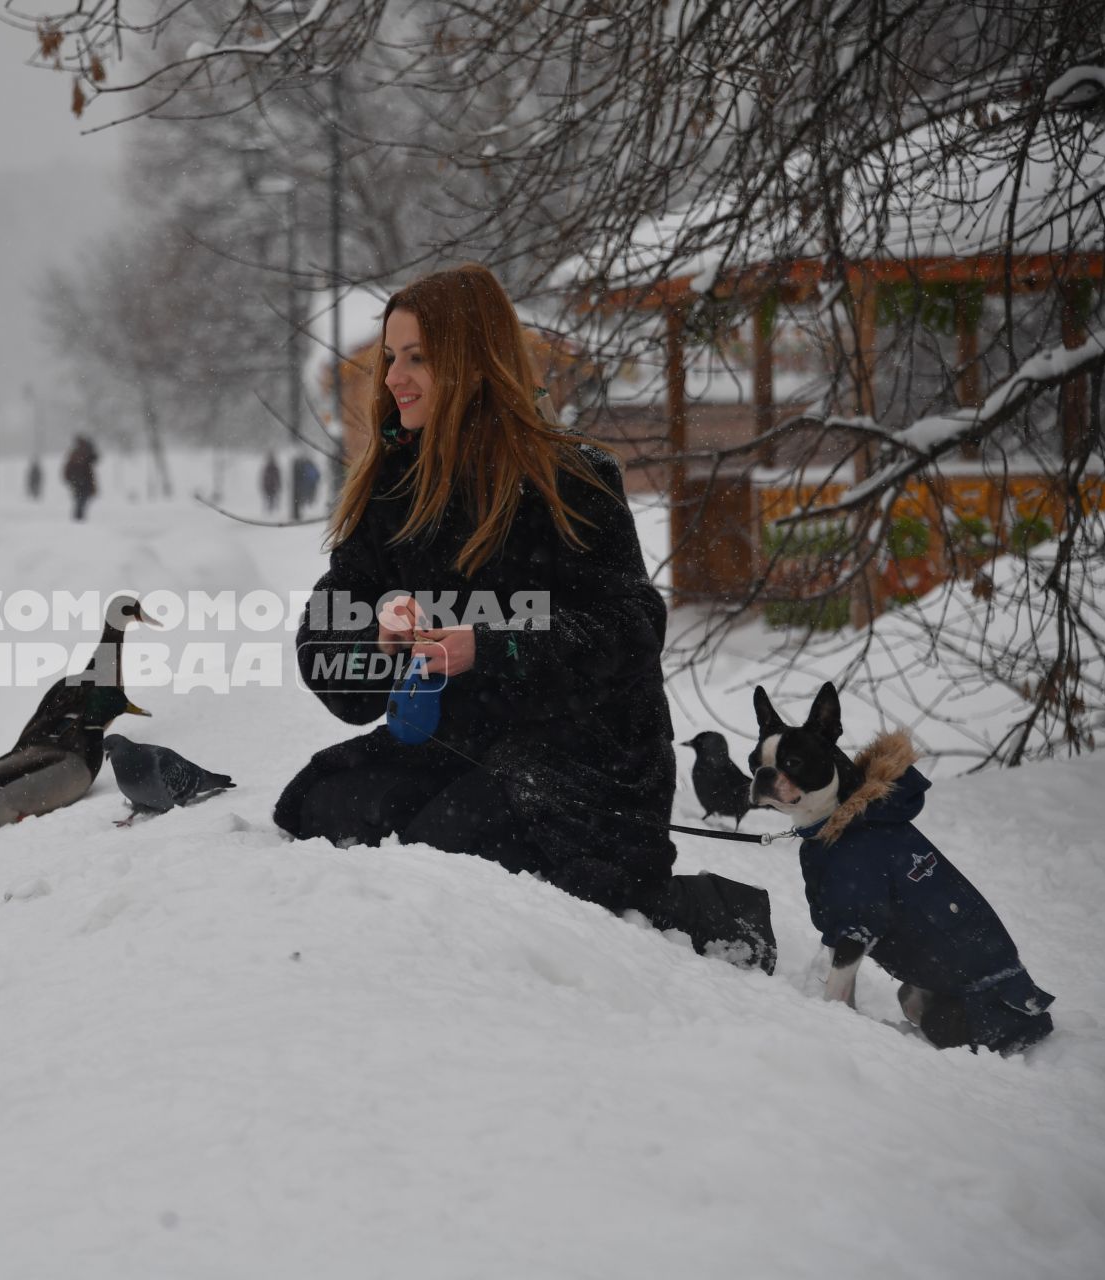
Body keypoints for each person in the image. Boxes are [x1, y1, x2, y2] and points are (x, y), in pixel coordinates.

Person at [273, 263, 774, 967]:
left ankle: (707, 918)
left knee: (442, 854)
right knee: (328, 810)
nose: (392, 377)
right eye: (391, 357)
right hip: (458, 745)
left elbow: (631, 629)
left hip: (586, 762)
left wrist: (493, 645)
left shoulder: (571, 478)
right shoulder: (391, 491)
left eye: (417, 357)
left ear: (472, 363)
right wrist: (375, 639)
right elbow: (326, 649)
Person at [62, 434, 100, 522]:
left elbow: (94, 459)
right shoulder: (80, 453)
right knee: (81, 501)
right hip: (82, 481)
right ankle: (78, 519)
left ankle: (78, 519)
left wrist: (70, 479)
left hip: (80, 481)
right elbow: (94, 459)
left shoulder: (77, 453)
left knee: (80, 501)